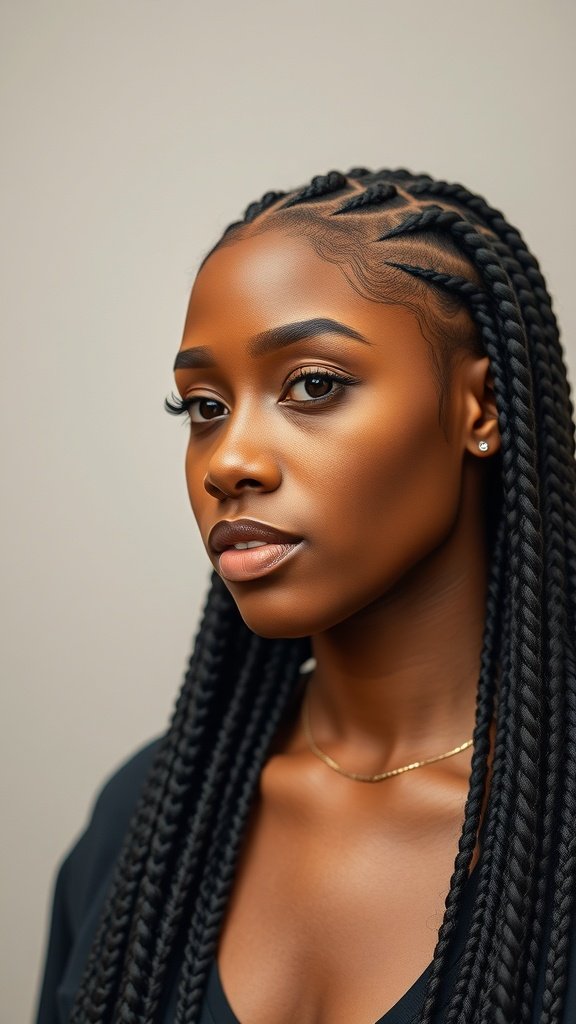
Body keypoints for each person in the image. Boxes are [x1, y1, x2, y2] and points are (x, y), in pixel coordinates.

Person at [35, 168, 576, 1024]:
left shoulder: (554, 816)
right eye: (203, 406)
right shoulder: (144, 822)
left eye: (313, 385)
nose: (228, 461)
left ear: (479, 407)